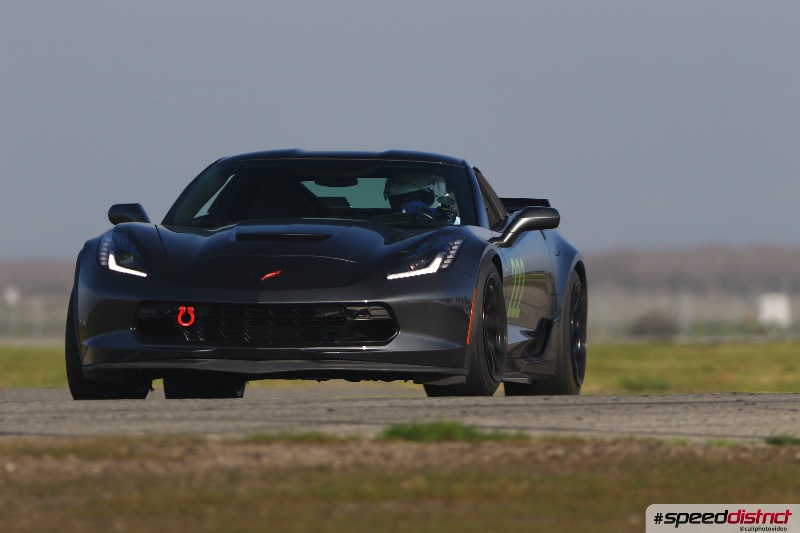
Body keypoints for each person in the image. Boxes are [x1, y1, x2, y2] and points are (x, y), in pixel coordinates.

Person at [383, 175, 458, 223]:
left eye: (415, 198)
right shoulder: (381, 220)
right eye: (404, 200)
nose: (410, 204)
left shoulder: (444, 217)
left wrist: (435, 216)